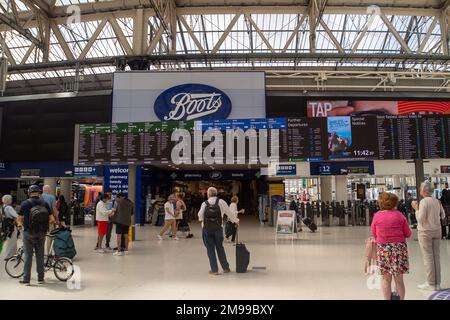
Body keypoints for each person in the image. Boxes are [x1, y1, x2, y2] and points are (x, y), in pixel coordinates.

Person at [371, 192, 411, 300]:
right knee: (399, 280)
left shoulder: (377, 216)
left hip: (383, 249)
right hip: (399, 249)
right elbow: (408, 233)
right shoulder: (399, 215)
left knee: (385, 279)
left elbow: (374, 234)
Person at [412, 182, 446, 291]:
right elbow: (443, 215)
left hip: (425, 232)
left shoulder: (423, 202)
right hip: (437, 230)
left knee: (428, 257)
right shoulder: (437, 201)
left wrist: (416, 209)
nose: (420, 191)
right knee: (436, 256)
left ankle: (431, 283)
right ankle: (437, 283)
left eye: (421, 189)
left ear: (425, 191)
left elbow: (420, 219)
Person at [198, 187, 239, 275]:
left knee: (210, 249)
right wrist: (236, 221)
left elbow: (200, 216)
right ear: (216, 194)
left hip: (207, 229)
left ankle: (214, 270)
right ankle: (225, 268)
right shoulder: (221, 202)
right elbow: (230, 213)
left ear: (208, 194)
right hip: (218, 229)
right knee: (220, 247)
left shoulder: (204, 203)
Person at [17, 185, 53, 285]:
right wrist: (44, 226)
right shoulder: (44, 203)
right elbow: (52, 219)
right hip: (41, 233)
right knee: (40, 256)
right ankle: (40, 279)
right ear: (39, 193)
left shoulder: (25, 203)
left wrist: (20, 225)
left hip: (28, 233)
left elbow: (19, 218)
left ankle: (26, 280)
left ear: (29, 193)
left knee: (28, 256)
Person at [41, 185, 58, 255]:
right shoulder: (52, 197)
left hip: (39, 219)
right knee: (50, 235)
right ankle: (48, 252)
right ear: (49, 190)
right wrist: (57, 218)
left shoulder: (39, 197)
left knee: (41, 236)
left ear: (43, 190)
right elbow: (54, 209)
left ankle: (40, 252)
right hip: (49, 219)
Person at [1, 195, 19, 260]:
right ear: (8, 200)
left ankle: (14, 253)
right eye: (11, 199)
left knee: (10, 239)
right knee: (12, 240)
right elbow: (16, 215)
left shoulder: (3, 207)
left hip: (6, 225)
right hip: (11, 225)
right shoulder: (9, 207)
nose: (11, 200)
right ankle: (8, 255)